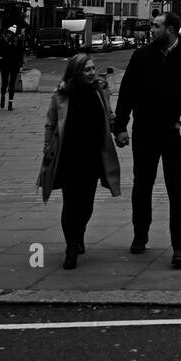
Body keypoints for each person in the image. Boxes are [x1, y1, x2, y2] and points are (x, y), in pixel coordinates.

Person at [112, 11, 181, 269]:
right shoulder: (141, 56)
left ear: (171, 29)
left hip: (179, 130)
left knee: (177, 187)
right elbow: (127, 92)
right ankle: (140, 233)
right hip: (146, 128)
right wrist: (120, 126)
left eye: (156, 26)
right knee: (142, 184)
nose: (151, 30)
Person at [37, 53, 121, 270]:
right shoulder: (62, 94)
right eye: (87, 70)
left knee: (86, 204)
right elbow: (50, 123)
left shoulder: (100, 90)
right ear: (76, 72)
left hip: (92, 155)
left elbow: (109, 114)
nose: (92, 72)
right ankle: (71, 246)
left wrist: (119, 131)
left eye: (93, 68)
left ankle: (79, 232)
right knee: (70, 202)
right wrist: (47, 148)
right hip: (68, 154)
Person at [0, 32, 24, 110]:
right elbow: (0, 52)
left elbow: (20, 53)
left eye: (10, 34)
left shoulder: (17, 43)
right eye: (7, 34)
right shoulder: (3, 42)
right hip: (5, 65)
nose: (8, 35)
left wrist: (20, 64)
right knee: (4, 83)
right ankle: (3, 97)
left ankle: (10, 103)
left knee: (12, 85)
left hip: (14, 65)